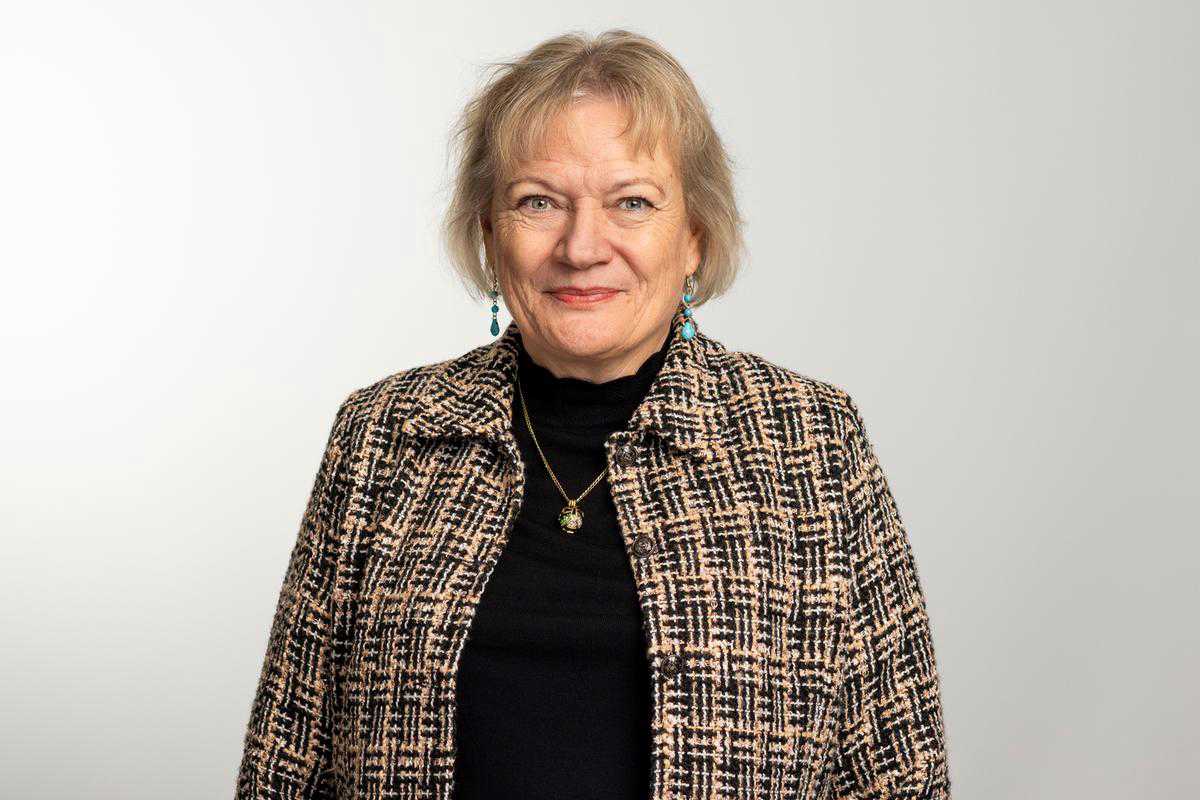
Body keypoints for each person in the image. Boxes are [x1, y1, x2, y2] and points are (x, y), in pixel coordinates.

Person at [235, 28, 951, 800]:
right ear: (490, 233)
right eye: (538, 202)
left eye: (631, 202)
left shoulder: (812, 442)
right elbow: (284, 769)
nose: (581, 247)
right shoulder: (385, 435)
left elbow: (899, 779)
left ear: (695, 237)